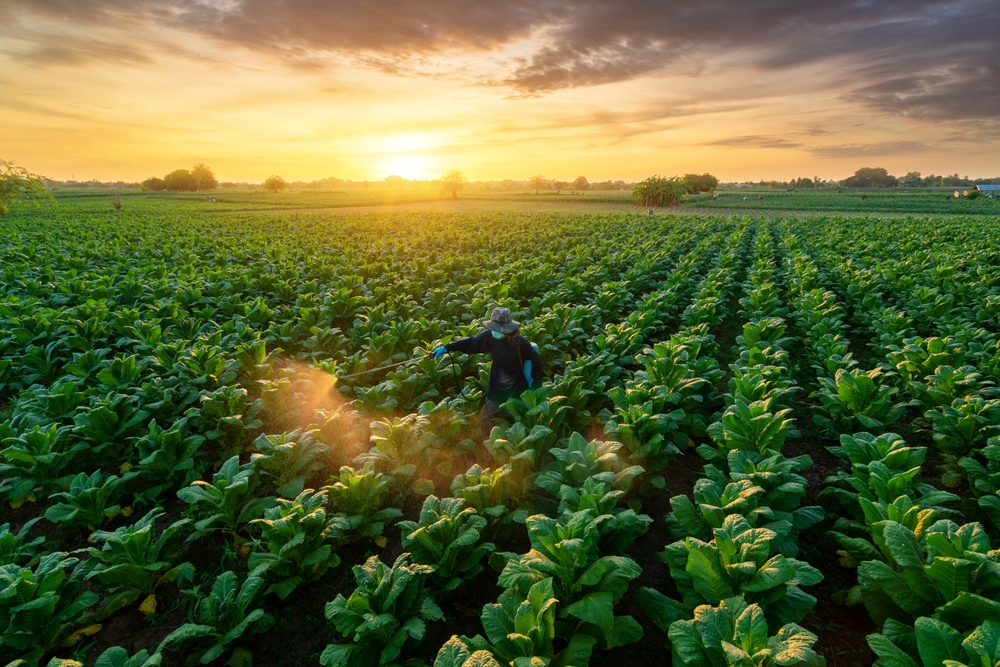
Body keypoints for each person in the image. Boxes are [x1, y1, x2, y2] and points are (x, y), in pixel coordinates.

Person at [434, 307, 542, 439]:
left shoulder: (522, 344)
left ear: (507, 329)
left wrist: (535, 388)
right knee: (488, 423)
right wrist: (448, 347)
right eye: (493, 328)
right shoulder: (491, 336)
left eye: (497, 329)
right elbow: (470, 343)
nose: (494, 332)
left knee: (513, 425)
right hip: (495, 388)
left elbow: (535, 363)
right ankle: (488, 449)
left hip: (515, 390)